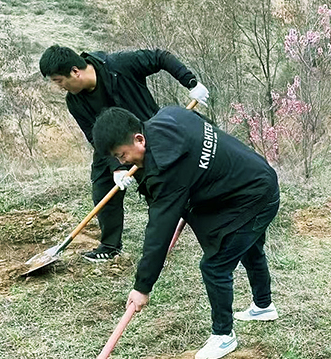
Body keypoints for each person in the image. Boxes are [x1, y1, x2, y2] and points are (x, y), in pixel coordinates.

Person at [91, 106, 280, 359]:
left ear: (139, 139)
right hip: (255, 175)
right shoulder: (170, 116)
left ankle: (224, 336)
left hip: (254, 194)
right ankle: (263, 306)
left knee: (215, 265)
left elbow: (159, 231)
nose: (123, 162)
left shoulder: (167, 172)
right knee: (249, 247)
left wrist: (142, 287)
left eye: (122, 155)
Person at [39, 45, 210, 262]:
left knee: (156, 189)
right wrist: (117, 166)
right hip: (109, 149)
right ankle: (109, 246)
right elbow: (93, 137)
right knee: (102, 187)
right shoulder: (75, 102)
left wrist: (191, 83)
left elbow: (160, 57)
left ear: (75, 71)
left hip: (145, 137)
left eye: (59, 81)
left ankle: (165, 235)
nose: (59, 87)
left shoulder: (118, 66)